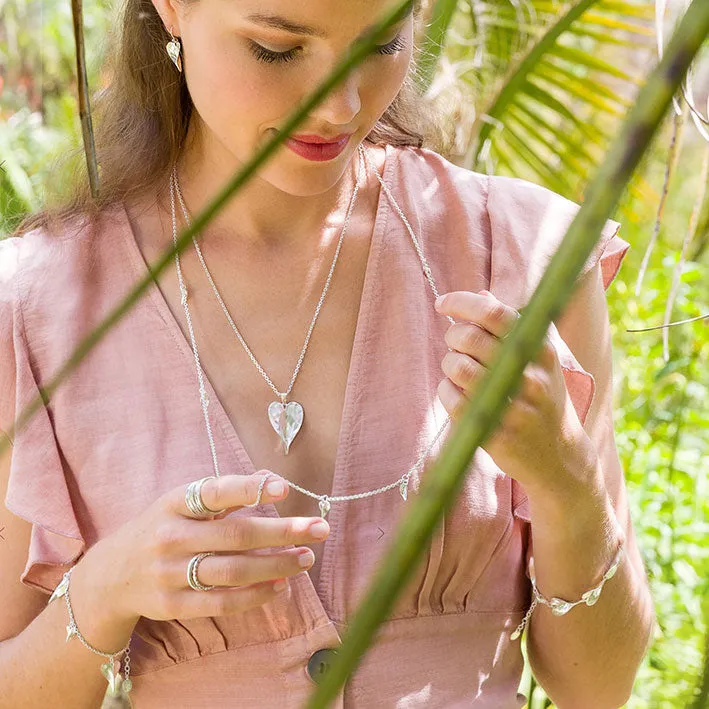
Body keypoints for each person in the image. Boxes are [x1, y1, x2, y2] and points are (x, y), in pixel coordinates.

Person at [0, 0, 655, 707]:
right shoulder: (37, 308)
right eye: (277, 50)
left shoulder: (523, 257)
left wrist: (566, 482)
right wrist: (104, 587)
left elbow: (601, 685)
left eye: (381, 45)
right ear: (172, 9)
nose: (340, 103)